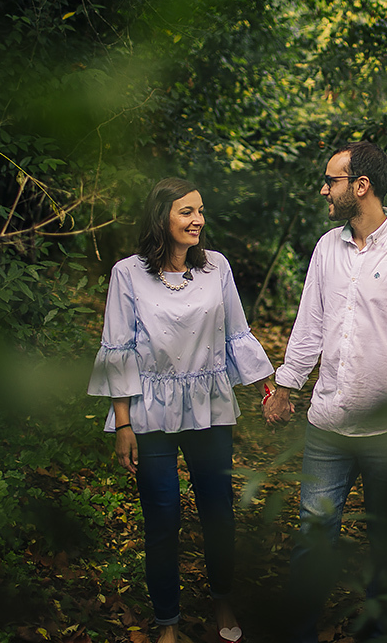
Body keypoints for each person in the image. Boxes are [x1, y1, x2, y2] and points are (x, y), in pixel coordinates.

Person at [264, 141, 387, 642]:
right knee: (312, 539)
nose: (325, 190)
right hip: (328, 424)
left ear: (360, 186)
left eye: (331, 181)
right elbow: (310, 324)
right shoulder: (328, 247)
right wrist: (286, 384)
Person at [87, 178, 274, 643]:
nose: (198, 221)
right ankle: (167, 623)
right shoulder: (127, 274)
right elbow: (119, 348)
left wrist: (269, 386)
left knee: (218, 513)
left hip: (209, 407)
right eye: (186, 212)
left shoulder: (217, 268)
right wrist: (123, 424)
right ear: (161, 218)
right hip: (150, 413)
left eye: (201, 211)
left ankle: (223, 600)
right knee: (162, 518)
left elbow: (236, 332)